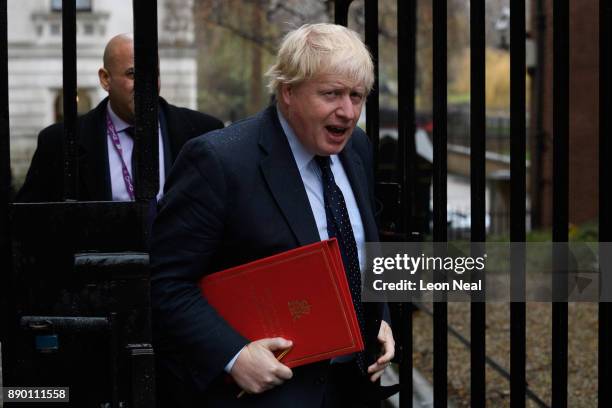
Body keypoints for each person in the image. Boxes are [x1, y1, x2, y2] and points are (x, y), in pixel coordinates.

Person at [150, 23, 394, 407]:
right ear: (288, 92)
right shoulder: (218, 161)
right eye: (331, 94)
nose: (348, 112)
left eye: (357, 96)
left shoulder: (357, 148)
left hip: (356, 390)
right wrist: (233, 355)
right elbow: (166, 283)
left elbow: (362, 251)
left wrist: (381, 318)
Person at [16, 33, 224, 203]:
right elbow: (31, 223)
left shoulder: (203, 132)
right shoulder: (59, 143)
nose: (146, 84)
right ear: (105, 79)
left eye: (153, 73)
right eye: (133, 74)